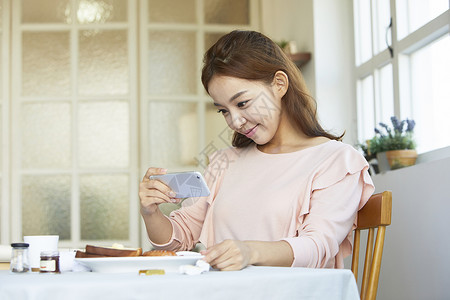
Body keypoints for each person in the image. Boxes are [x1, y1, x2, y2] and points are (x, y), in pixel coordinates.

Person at [139, 30, 374, 271]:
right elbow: (180, 239)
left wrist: (249, 252)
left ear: (279, 84)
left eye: (242, 103)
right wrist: (150, 212)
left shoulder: (337, 160)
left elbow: (318, 246)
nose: (235, 121)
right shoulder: (223, 161)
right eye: (224, 110)